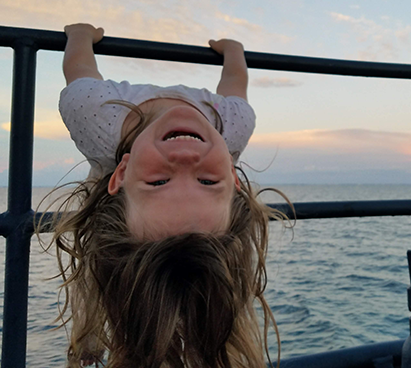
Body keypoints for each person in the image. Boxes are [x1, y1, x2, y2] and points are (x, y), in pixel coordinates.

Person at [38, 23, 289, 368]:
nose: (186, 158)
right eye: (207, 181)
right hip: (141, 177)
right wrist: (232, 50)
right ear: (233, 176)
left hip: (112, 163)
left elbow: (80, 68)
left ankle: (93, 329)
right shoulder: (232, 128)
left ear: (122, 173)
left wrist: (81, 35)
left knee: (104, 246)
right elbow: (234, 85)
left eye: (159, 182)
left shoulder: (94, 115)